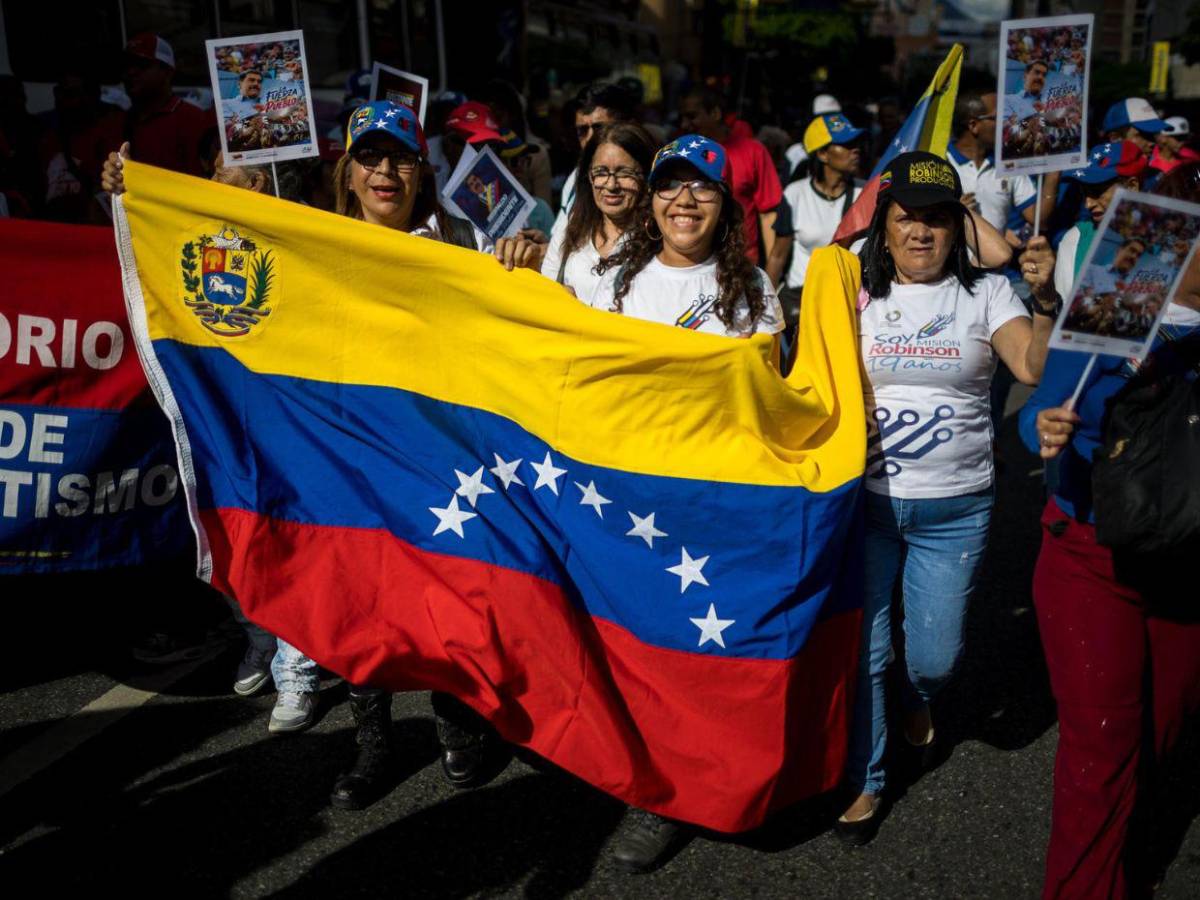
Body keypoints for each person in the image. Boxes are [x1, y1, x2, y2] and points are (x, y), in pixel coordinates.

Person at [836, 151, 1058, 844]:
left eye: (937, 218)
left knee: (933, 659)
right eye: (907, 218)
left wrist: (1046, 300)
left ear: (958, 226)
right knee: (867, 652)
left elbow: (1031, 366)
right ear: (884, 225)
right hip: (865, 506)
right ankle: (868, 777)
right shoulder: (852, 292)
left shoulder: (988, 292)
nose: (921, 232)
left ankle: (919, 694)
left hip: (955, 510)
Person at [587, 134, 784, 871]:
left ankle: (709, 783)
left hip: (719, 502)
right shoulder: (616, 285)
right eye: (670, 185)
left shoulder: (753, 289)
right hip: (633, 498)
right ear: (652, 201)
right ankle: (655, 791)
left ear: (724, 204)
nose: (684, 200)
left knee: (712, 650)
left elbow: (772, 398)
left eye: (701, 187)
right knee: (645, 649)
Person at [1018, 163, 1200, 899]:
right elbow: (1039, 413)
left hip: (1186, 560)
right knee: (1102, 750)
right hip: (1090, 555)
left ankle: (1135, 863)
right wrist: (1044, 429)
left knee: (1167, 734)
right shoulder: (1119, 302)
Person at [101, 146, 322, 733]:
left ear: (259, 183)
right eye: (216, 169)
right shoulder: (196, 226)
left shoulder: (305, 225)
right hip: (220, 404)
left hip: (288, 405)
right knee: (223, 526)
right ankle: (259, 632)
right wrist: (126, 190)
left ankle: (296, 667)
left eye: (227, 170)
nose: (214, 177)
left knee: (291, 533)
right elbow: (145, 244)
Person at [540, 121, 655, 302]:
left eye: (625, 173)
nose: (611, 185)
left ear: (647, 176)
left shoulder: (659, 241)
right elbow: (546, 294)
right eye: (601, 172)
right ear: (589, 176)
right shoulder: (571, 229)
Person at [780, 112, 863, 347]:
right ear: (822, 154)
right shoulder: (795, 193)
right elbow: (778, 254)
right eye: (846, 145)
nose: (855, 150)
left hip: (847, 298)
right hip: (800, 300)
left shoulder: (865, 194)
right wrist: (765, 299)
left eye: (856, 144)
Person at [678, 87, 784, 266]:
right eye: (682, 118)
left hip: (742, 264)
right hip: (688, 264)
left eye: (692, 116)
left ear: (715, 113)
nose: (684, 124)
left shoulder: (753, 151)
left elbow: (768, 214)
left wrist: (770, 271)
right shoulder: (677, 155)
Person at [1053, 142, 1151, 304]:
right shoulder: (1075, 239)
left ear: (1132, 186)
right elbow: (1064, 308)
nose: (1088, 204)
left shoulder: (1167, 242)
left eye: (1097, 192)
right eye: (1084, 192)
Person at [950, 89, 1056, 236]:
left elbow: (1039, 220)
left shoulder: (1007, 164)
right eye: (999, 117)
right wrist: (950, 212)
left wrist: (1056, 166)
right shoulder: (941, 162)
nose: (1008, 123)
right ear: (973, 125)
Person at [120, 33, 214, 178]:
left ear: (168, 72)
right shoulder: (115, 123)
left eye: (142, 65)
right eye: (127, 65)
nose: (131, 72)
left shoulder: (193, 120)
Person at [556, 82, 638, 228]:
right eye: (582, 131)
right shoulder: (574, 179)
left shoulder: (654, 178)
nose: (590, 139)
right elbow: (562, 235)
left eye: (600, 129)